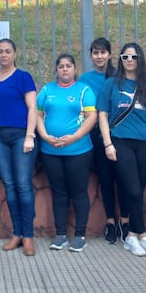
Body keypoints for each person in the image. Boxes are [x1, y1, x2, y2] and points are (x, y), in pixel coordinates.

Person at [97, 42, 146, 258]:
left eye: (133, 57)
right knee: (133, 190)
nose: (129, 61)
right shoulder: (111, 84)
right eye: (125, 57)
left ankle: (131, 236)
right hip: (121, 141)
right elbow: (102, 115)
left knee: (138, 190)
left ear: (140, 60)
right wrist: (108, 143)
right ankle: (143, 235)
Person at [36, 54, 97, 252]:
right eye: (61, 66)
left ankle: (80, 235)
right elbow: (37, 114)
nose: (64, 69)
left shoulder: (84, 90)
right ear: (56, 70)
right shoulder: (46, 90)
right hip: (50, 150)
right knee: (59, 193)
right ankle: (60, 234)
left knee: (79, 192)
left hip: (78, 150)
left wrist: (74, 137)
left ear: (74, 69)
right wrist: (45, 136)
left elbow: (91, 117)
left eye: (68, 66)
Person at [0, 38, 39, 256]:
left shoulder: (23, 77)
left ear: (14, 53)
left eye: (8, 51)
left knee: (23, 185)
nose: (4, 55)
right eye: (0, 51)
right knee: (9, 186)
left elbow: (32, 108)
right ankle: (17, 233)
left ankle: (28, 236)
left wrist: (29, 136)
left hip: (20, 136)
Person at [79, 38, 130, 244]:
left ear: (110, 54)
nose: (99, 56)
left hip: (120, 134)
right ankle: (110, 221)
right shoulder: (85, 79)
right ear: (91, 55)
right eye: (95, 53)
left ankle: (125, 222)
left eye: (103, 52)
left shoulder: (121, 76)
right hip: (97, 137)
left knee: (124, 180)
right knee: (106, 180)